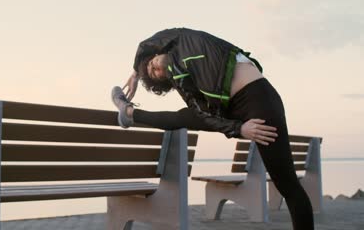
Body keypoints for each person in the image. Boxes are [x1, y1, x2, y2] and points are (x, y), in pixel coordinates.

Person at [111, 28, 314, 230]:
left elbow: (147, 42)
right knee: (185, 116)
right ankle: (129, 113)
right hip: (230, 110)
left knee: (287, 184)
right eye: (154, 73)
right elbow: (205, 116)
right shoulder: (185, 83)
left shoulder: (182, 39)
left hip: (259, 100)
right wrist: (239, 128)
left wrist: (137, 70)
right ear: (166, 79)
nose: (153, 67)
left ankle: (128, 112)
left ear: (156, 53)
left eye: (151, 63)